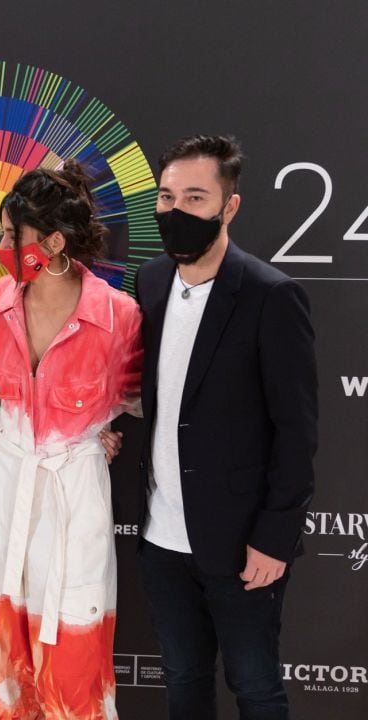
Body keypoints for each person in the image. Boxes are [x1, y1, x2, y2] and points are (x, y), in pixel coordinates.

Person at [135, 135, 317, 720]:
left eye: (194, 197)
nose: (176, 210)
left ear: (228, 206)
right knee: (184, 681)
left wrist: (275, 535)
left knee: (256, 685)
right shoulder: (152, 281)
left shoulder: (271, 296)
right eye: (167, 196)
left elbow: (297, 430)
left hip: (242, 545)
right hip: (163, 539)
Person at [0, 161, 142, 719]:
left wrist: (105, 433)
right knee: (1, 652)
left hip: (73, 497)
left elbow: (140, 407)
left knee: (74, 642)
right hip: (2, 486)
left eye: (8, 236)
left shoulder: (118, 318)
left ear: (52, 242)